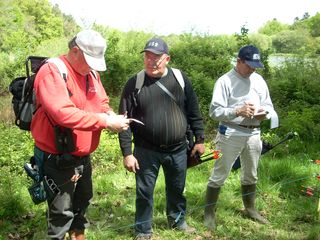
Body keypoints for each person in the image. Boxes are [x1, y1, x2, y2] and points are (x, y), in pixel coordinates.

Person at [31, 29, 130, 240]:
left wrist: (109, 113)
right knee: (61, 211)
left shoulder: (91, 73)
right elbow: (62, 114)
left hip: (82, 155)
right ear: (75, 51)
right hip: (57, 156)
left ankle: (78, 235)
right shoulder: (52, 71)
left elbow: (100, 101)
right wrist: (104, 121)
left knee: (83, 200)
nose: (93, 67)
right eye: (90, 61)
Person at [118, 37, 205, 239]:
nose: (151, 61)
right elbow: (123, 121)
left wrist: (199, 140)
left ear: (167, 58)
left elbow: (194, 111)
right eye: (148, 56)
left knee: (177, 189)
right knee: (144, 191)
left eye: (156, 57)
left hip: (178, 149)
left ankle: (177, 221)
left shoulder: (180, 79)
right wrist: (127, 153)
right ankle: (143, 230)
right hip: (146, 150)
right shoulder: (135, 83)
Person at [204, 45, 277, 230]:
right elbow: (214, 111)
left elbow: (269, 106)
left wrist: (264, 113)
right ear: (239, 61)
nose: (253, 69)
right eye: (249, 65)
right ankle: (209, 212)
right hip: (230, 132)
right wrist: (238, 110)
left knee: (251, 173)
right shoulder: (225, 81)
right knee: (219, 174)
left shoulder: (259, 80)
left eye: (255, 65)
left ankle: (250, 209)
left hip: (254, 133)